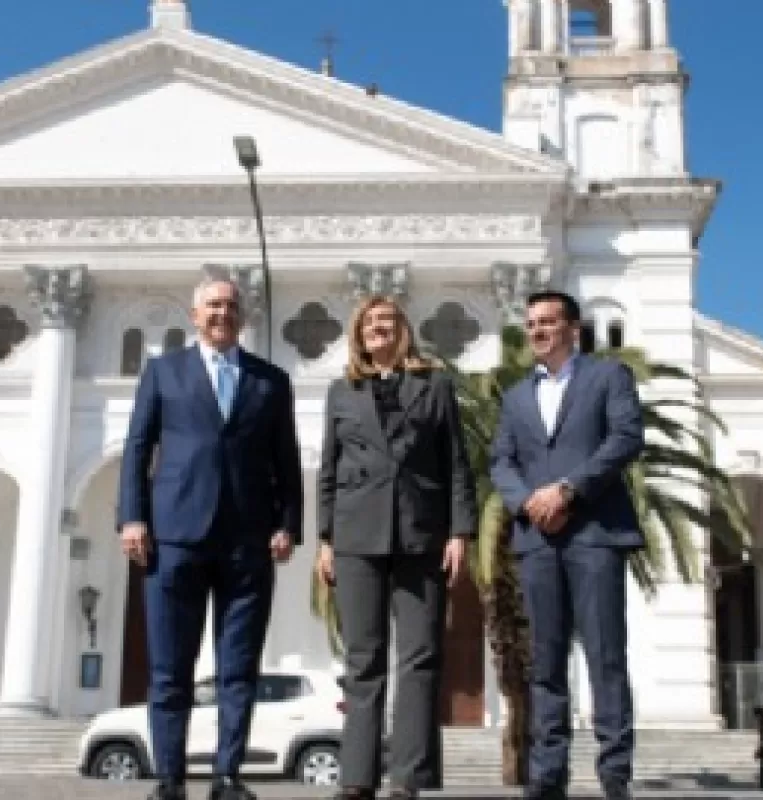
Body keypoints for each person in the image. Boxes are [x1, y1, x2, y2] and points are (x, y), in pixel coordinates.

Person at [117, 277, 303, 800]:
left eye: (231, 306)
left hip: (247, 539)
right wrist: (132, 518)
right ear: (195, 316)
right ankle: (171, 778)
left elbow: (285, 461)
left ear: (242, 317)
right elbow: (138, 448)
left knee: (238, 667)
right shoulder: (163, 372)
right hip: (174, 536)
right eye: (213, 306)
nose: (222, 313)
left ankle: (227, 775)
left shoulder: (270, 380)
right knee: (169, 666)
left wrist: (289, 523)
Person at [315, 295, 477, 800]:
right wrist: (325, 539)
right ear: (359, 335)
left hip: (420, 531)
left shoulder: (436, 386)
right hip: (356, 534)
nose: (379, 330)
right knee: (363, 657)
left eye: (387, 322)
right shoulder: (343, 392)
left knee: (420, 654)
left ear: (403, 330)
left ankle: (408, 776)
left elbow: (455, 463)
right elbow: (329, 469)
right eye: (370, 324)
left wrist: (460, 532)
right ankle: (357, 776)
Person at [490, 290, 645, 800]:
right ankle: (548, 772)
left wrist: (569, 489)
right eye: (531, 323)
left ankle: (614, 771)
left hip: (594, 534)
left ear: (573, 328)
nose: (537, 331)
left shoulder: (608, 377)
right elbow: (501, 462)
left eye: (548, 322)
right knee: (546, 659)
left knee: (605, 654)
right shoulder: (514, 398)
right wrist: (528, 500)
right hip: (537, 539)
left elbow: (624, 438)